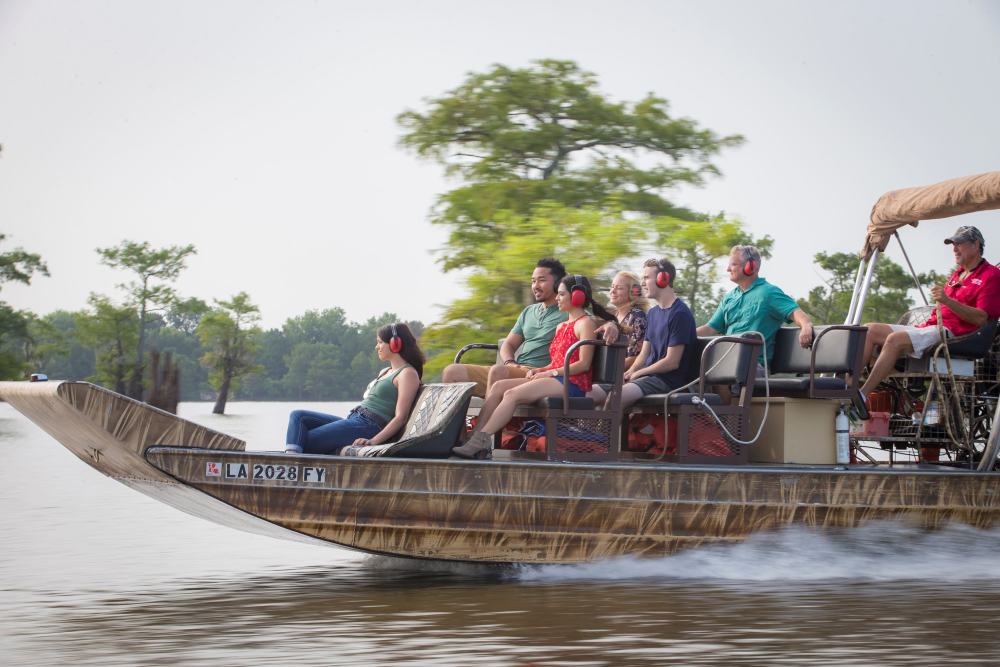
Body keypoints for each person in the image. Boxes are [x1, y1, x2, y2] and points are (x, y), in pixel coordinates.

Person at [451, 275, 617, 459]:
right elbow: (557, 361)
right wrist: (542, 370)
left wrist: (550, 374)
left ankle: (481, 442)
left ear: (576, 296)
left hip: (571, 383)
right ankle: (474, 438)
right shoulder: (562, 326)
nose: (557, 298)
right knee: (499, 387)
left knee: (511, 394)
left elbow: (583, 364)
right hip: (556, 377)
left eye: (561, 294)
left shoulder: (585, 323)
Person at [858, 226, 1000, 410]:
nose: (954, 249)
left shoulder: (991, 276)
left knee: (894, 340)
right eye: (953, 244)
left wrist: (947, 300)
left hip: (955, 335)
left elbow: (981, 319)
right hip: (931, 327)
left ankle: (862, 395)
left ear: (976, 245)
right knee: (869, 329)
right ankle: (848, 387)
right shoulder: (957, 275)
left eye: (959, 244)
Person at [696, 245, 814, 404]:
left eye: (733, 264)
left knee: (717, 370)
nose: (728, 269)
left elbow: (797, 313)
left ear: (750, 266)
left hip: (753, 366)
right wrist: (682, 336)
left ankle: (726, 425)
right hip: (726, 361)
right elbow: (710, 329)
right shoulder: (729, 298)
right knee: (688, 368)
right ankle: (700, 424)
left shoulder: (769, 293)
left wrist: (806, 327)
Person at [284, 323, 424, 455]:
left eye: (380, 342)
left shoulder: (407, 373)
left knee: (303, 440)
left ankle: (290, 463)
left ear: (395, 343)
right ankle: (291, 459)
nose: (376, 347)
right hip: (355, 419)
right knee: (298, 416)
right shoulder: (385, 371)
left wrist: (373, 441)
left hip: (369, 425)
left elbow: (401, 417)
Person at [442, 258, 568, 399]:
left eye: (541, 280)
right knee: (452, 372)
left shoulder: (569, 311)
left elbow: (587, 320)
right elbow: (508, 344)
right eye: (533, 281)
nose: (535, 286)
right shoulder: (528, 312)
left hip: (539, 374)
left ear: (558, 284)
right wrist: (510, 363)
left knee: (498, 371)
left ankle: (487, 421)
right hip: (515, 370)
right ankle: (458, 422)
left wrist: (598, 325)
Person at [588, 258, 697, 414]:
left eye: (646, 278)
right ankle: (585, 436)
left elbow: (672, 362)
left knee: (616, 397)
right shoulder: (653, 313)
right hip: (647, 377)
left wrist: (639, 373)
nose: (643, 283)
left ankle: (600, 438)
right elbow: (645, 354)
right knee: (591, 393)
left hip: (666, 380)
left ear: (663, 278)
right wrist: (630, 372)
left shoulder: (680, 314)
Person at [608, 270, 652, 371]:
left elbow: (634, 358)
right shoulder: (613, 316)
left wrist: (608, 371)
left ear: (634, 292)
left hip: (622, 375)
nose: (612, 291)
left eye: (619, 288)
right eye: (612, 286)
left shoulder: (638, 318)